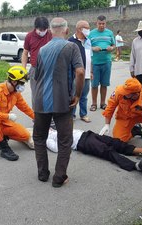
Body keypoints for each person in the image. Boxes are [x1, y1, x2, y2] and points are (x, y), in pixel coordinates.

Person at [33, 17, 85, 188]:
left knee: (39, 137)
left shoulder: (42, 50)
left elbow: (36, 76)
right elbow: (80, 72)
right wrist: (77, 95)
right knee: (65, 140)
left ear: (49, 31)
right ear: (66, 30)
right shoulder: (72, 47)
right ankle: (59, 177)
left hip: (40, 101)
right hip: (63, 101)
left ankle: (42, 174)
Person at [45, 128, 142, 174]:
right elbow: (57, 149)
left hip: (88, 134)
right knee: (108, 152)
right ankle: (136, 166)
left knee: (117, 143)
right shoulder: (47, 138)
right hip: (81, 143)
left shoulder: (53, 128)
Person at [0, 66, 35, 161]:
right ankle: (4, 149)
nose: (23, 86)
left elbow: (25, 107)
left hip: (4, 123)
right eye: (21, 83)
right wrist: (7, 116)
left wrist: (37, 118)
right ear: (14, 82)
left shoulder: (15, 93)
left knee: (24, 135)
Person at [99, 78, 142, 150]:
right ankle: (135, 131)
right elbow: (110, 107)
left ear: (135, 95)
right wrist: (107, 124)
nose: (123, 93)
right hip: (125, 117)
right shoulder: (119, 91)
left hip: (141, 116)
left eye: (126, 93)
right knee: (119, 141)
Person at [21, 16, 52, 108]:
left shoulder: (51, 35)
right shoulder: (29, 36)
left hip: (49, 69)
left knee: (49, 93)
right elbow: (25, 53)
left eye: (44, 29)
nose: (42, 31)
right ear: (35, 27)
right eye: (40, 29)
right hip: (35, 69)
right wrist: (23, 68)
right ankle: (37, 115)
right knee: (36, 93)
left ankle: (49, 116)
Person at [88, 15, 115, 112]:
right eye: (100, 23)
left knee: (104, 84)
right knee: (94, 84)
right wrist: (93, 48)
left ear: (106, 23)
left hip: (107, 61)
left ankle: (103, 103)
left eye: (103, 24)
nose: (101, 25)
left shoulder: (110, 33)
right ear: (96, 23)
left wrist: (111, 48)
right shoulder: (91, 34)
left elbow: (113, 45)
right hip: (94, 63)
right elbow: (86, 47)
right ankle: (94, 104)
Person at [68, 20, 92, 123]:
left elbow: (90, 57)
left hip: (86, 74)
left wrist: (91, 71)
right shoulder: (71, 41)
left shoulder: (88, 41)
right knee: (73, 94)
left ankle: (83, 114)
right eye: (87, 28)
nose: (88, 30)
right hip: (75, 74)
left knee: (84, 96)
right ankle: (71, 115)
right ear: (79, 29)